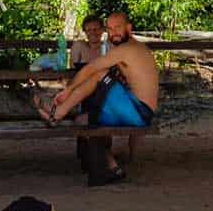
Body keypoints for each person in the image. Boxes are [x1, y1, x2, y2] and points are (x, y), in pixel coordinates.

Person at [35, 11, 158, 184]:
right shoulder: (132, 48)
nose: (113, 32)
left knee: (98, 75)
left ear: (129, 28)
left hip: (139, 112)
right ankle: (112, 167)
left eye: (118, 28)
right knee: (83, 120)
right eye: (110, 29)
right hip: (136, 109)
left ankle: (57, 114)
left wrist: (67, 91)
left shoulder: (127, 49)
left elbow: (89, 69)